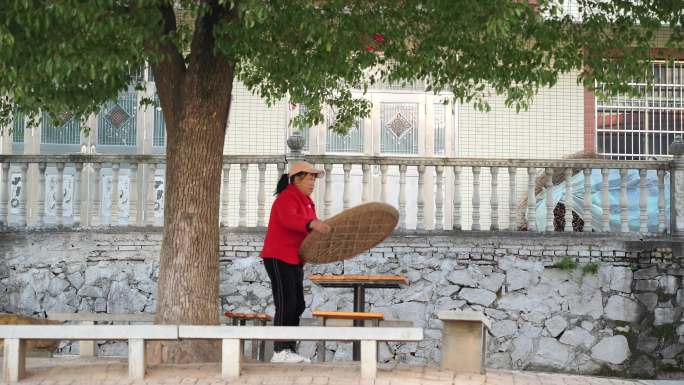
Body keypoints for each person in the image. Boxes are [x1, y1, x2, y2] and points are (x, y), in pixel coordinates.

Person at [260, 161, 331, 363]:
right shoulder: (286, 198)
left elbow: (310, 231)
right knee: (286, 303)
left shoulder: (307, 201)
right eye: (310, 178)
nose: (313, 183)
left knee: (298, 304)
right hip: (277, 256)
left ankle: (288, 349)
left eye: (314, 179)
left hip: (294, 259)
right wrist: (311, 224)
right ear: (297, 179)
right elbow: (290, 220)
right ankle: (280, 350)